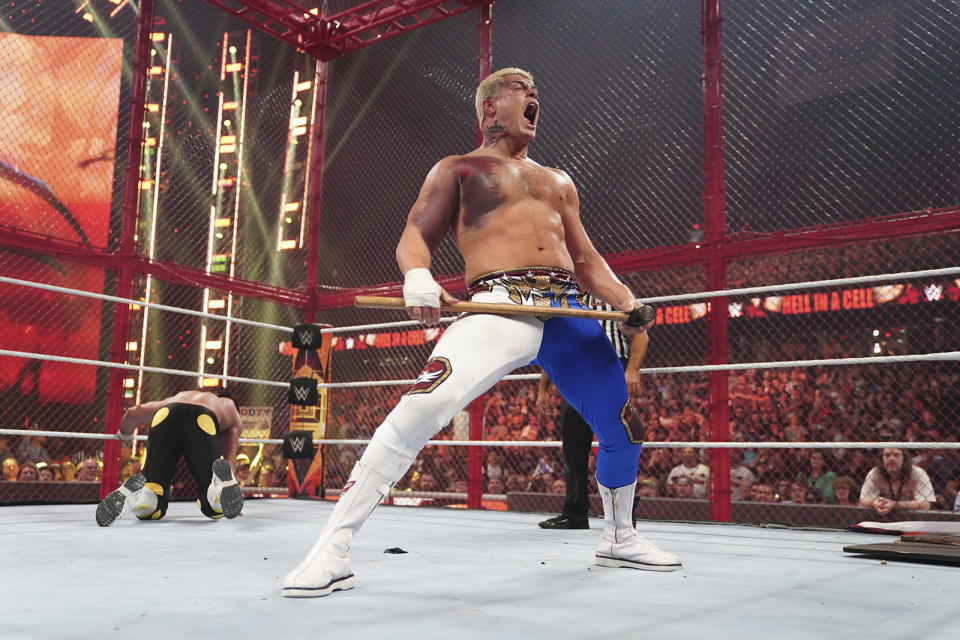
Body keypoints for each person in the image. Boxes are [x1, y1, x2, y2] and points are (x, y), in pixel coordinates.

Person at [282, 67, 680, 598]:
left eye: (537, 89)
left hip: (568, 307)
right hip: (498, 304)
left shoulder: (558, 180)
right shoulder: (460, 168)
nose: (534, 93)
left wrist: (627, 301)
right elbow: (414, 237)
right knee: (420, 410)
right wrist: (418, 277)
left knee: (622, 425)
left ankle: (619, 536)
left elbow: (585, 259)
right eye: (520, 88)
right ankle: (332, 549)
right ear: (489, 107)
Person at [535, 297, 648, 529]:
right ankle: (575, 513)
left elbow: (641, 333)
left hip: (609, 367)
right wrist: (542, 388)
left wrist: (633, 369)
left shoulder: (614, 294)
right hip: (574, 371)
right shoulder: (565, 299)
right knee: (573, 446)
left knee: (619, 440)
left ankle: (623, 515)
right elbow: (555, 348)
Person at [95, 389, 244, 526]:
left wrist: (125, 434)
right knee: (211, 505)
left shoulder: (180, 396)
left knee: (154, 497)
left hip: (167, 413)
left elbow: (133, 412)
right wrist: (231, 500)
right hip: (203, 418)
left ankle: (144, 496)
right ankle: (216, 494)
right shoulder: (231, 410)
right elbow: (229, 460)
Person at [858, 447, 936, 517]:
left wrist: (895, 504)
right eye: (887, 455)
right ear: (882, 458)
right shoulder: (875, 473)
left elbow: (925, 504)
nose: (891, 459)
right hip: (882, 517)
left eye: (896, 455)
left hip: (913, 518)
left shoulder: (918, 473)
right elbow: (863, 500)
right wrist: (874, 502)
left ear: (904, 458)